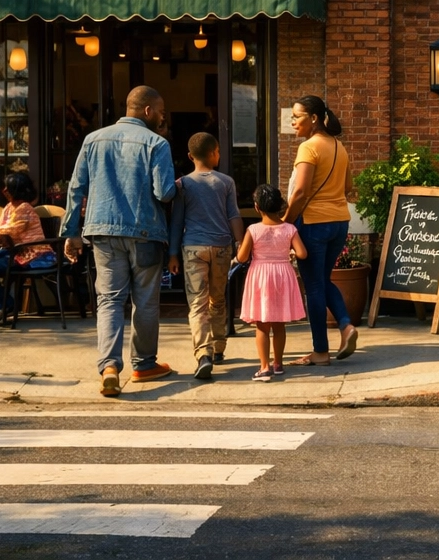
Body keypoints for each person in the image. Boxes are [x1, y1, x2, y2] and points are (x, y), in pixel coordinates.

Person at [61, 85, 178, 397]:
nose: (163, 117)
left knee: (109, 300)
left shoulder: (92, 139)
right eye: (162, 112)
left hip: (102, 231)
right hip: (145, 233)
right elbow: (163, 192)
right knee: (145, 301)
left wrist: (72, 232)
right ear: (148, 111)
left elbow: (76, 188)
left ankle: (109, 367)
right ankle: (143, 364)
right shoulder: (157, 143)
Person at [285, 95, 359, 366]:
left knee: (314, 286)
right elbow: (348, 186)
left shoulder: (308, 148)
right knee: (324, 280)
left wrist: (286, 222)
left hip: (313, 223)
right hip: (340, 221)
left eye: (297, 116)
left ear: (313, 118)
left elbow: (301, 190)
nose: (293, 122)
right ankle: (346, 326)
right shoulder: (339, 146)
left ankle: (320, 351)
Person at [167, 132, 245, 381]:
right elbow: (233, 215)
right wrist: (241, 242)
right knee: (218, 299)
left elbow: (177, 221)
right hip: (222, 248)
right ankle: (219, 347)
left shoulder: (182, 185)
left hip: (193, 249)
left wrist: (172, 253)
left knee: (197, 304)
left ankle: (204, 354)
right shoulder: (226, 182)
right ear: (215, 153)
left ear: (190, 157)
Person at [237, 184, 308, 382]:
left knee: (262, 326)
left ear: (257, 207)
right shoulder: (290, 229)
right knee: (279, 325)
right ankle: (278, 364)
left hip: (260, 276)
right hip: (282, 274)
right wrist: (291, 253)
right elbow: (302, 253)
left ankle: (264, 367)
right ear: (280, 206)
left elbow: (242, 258)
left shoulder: (253, 230)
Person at [0, 170, 56, 326]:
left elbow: (12, 229)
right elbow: (3, 229)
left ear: (16, 189)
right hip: (14, 251)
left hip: (32, 254)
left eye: (8, 187)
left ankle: (1, 307)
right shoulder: (8, 208)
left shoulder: (25, 208)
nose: (4, 191)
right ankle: (4, 304)